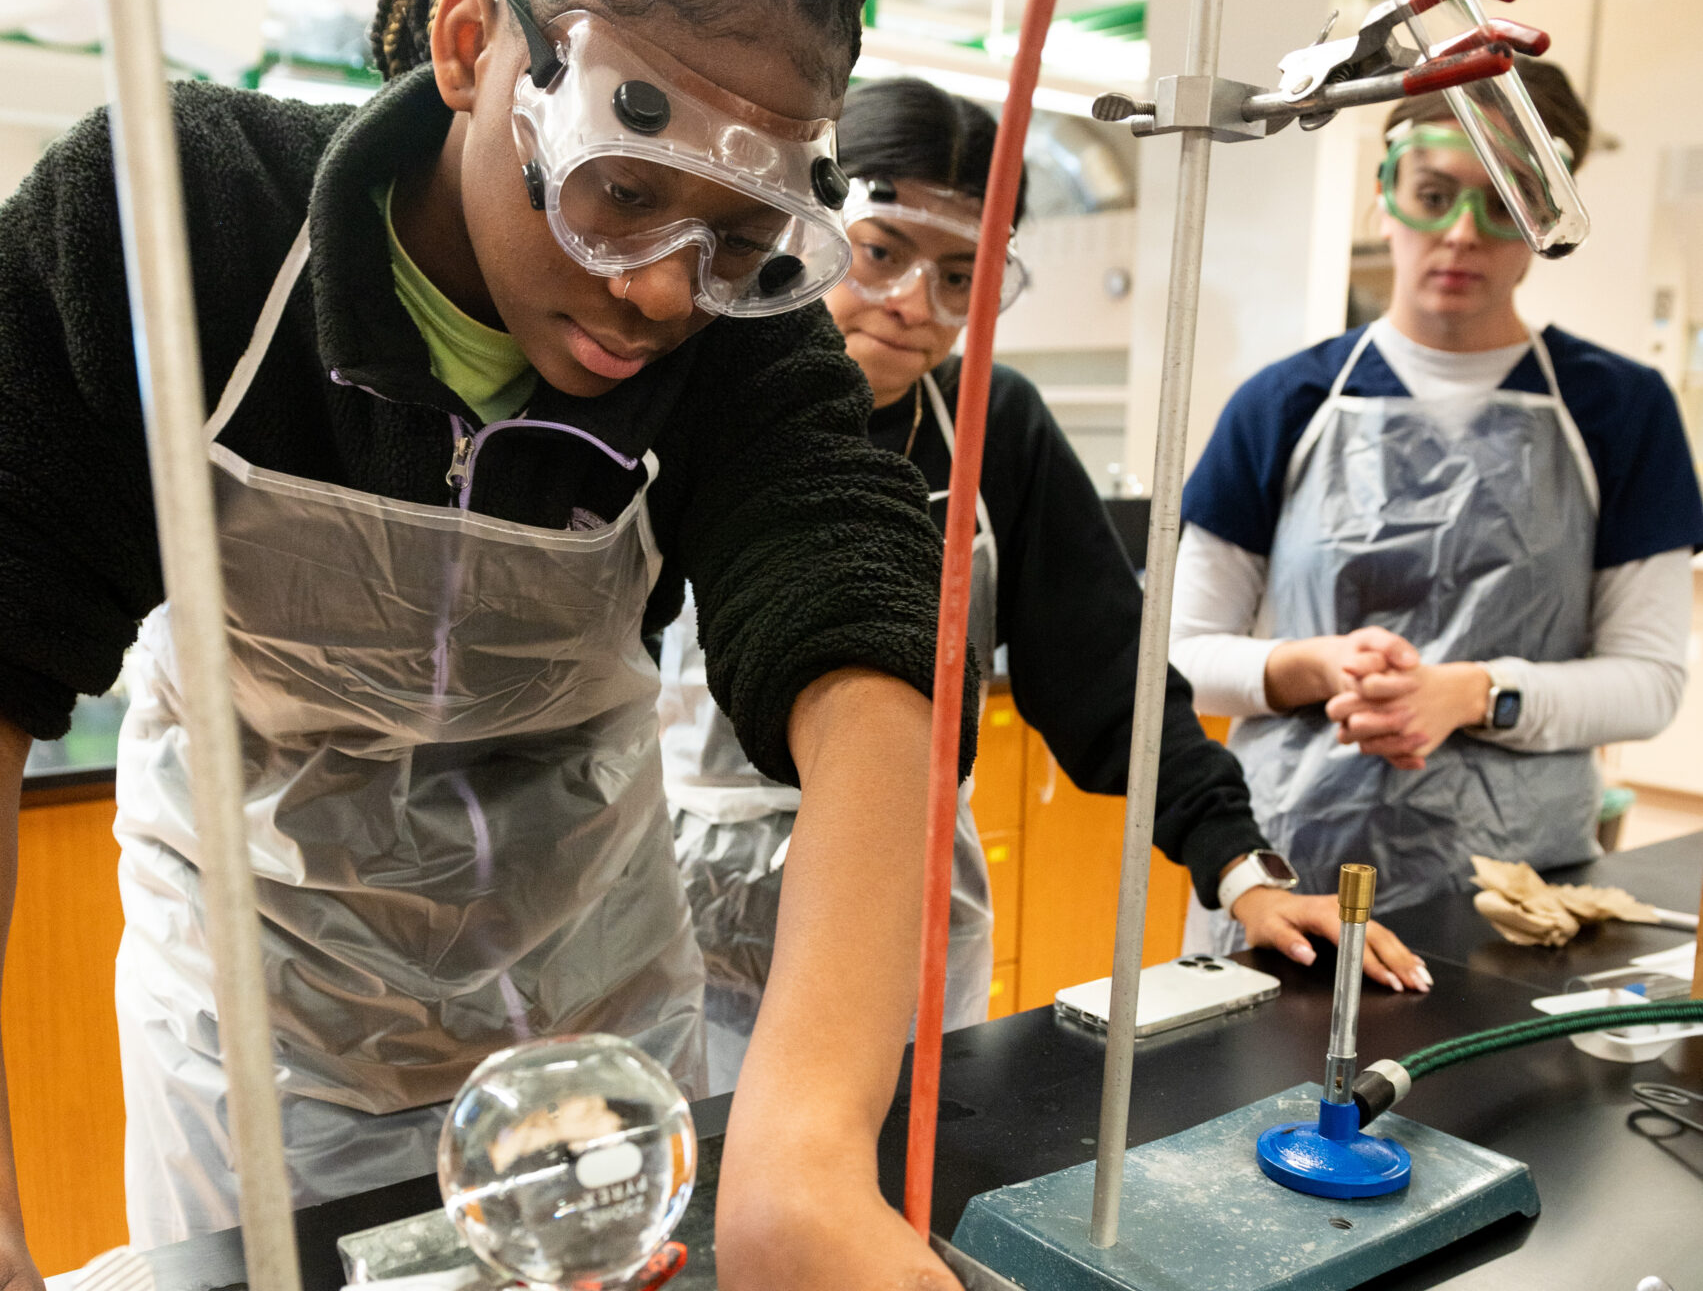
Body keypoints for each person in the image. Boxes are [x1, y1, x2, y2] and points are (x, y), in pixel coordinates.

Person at [0, 0, 1003, 1291]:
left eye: (738, 238)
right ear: (476, 42)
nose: (655, 295)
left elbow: (866, 654)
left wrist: (797, 1148)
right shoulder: (179, 235)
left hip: (592, 1022)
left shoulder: (727, 346)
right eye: (620, 192)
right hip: (271, 1023)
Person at [660, 74, 1426, 1087]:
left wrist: (1240, 865)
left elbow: (1107, 671)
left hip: (905, 892)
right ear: (810, 223)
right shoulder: (684, 387)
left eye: (958, 279)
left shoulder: (992, 428)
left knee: (899, 1165)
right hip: (684, 896)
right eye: (879, 253)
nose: (909, 306)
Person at [1173, 59, 1703, 931]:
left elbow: (1646, 683)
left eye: (1502, 202)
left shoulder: (1618, 409)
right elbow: (1180, 658)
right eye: (1431, 192)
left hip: (1519, 894)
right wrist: (1312, 668)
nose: (1460, 235)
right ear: (1384, 197)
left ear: (1547, 219)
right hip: (1288, 882)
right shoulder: (1281, 405)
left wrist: (1474, 693)